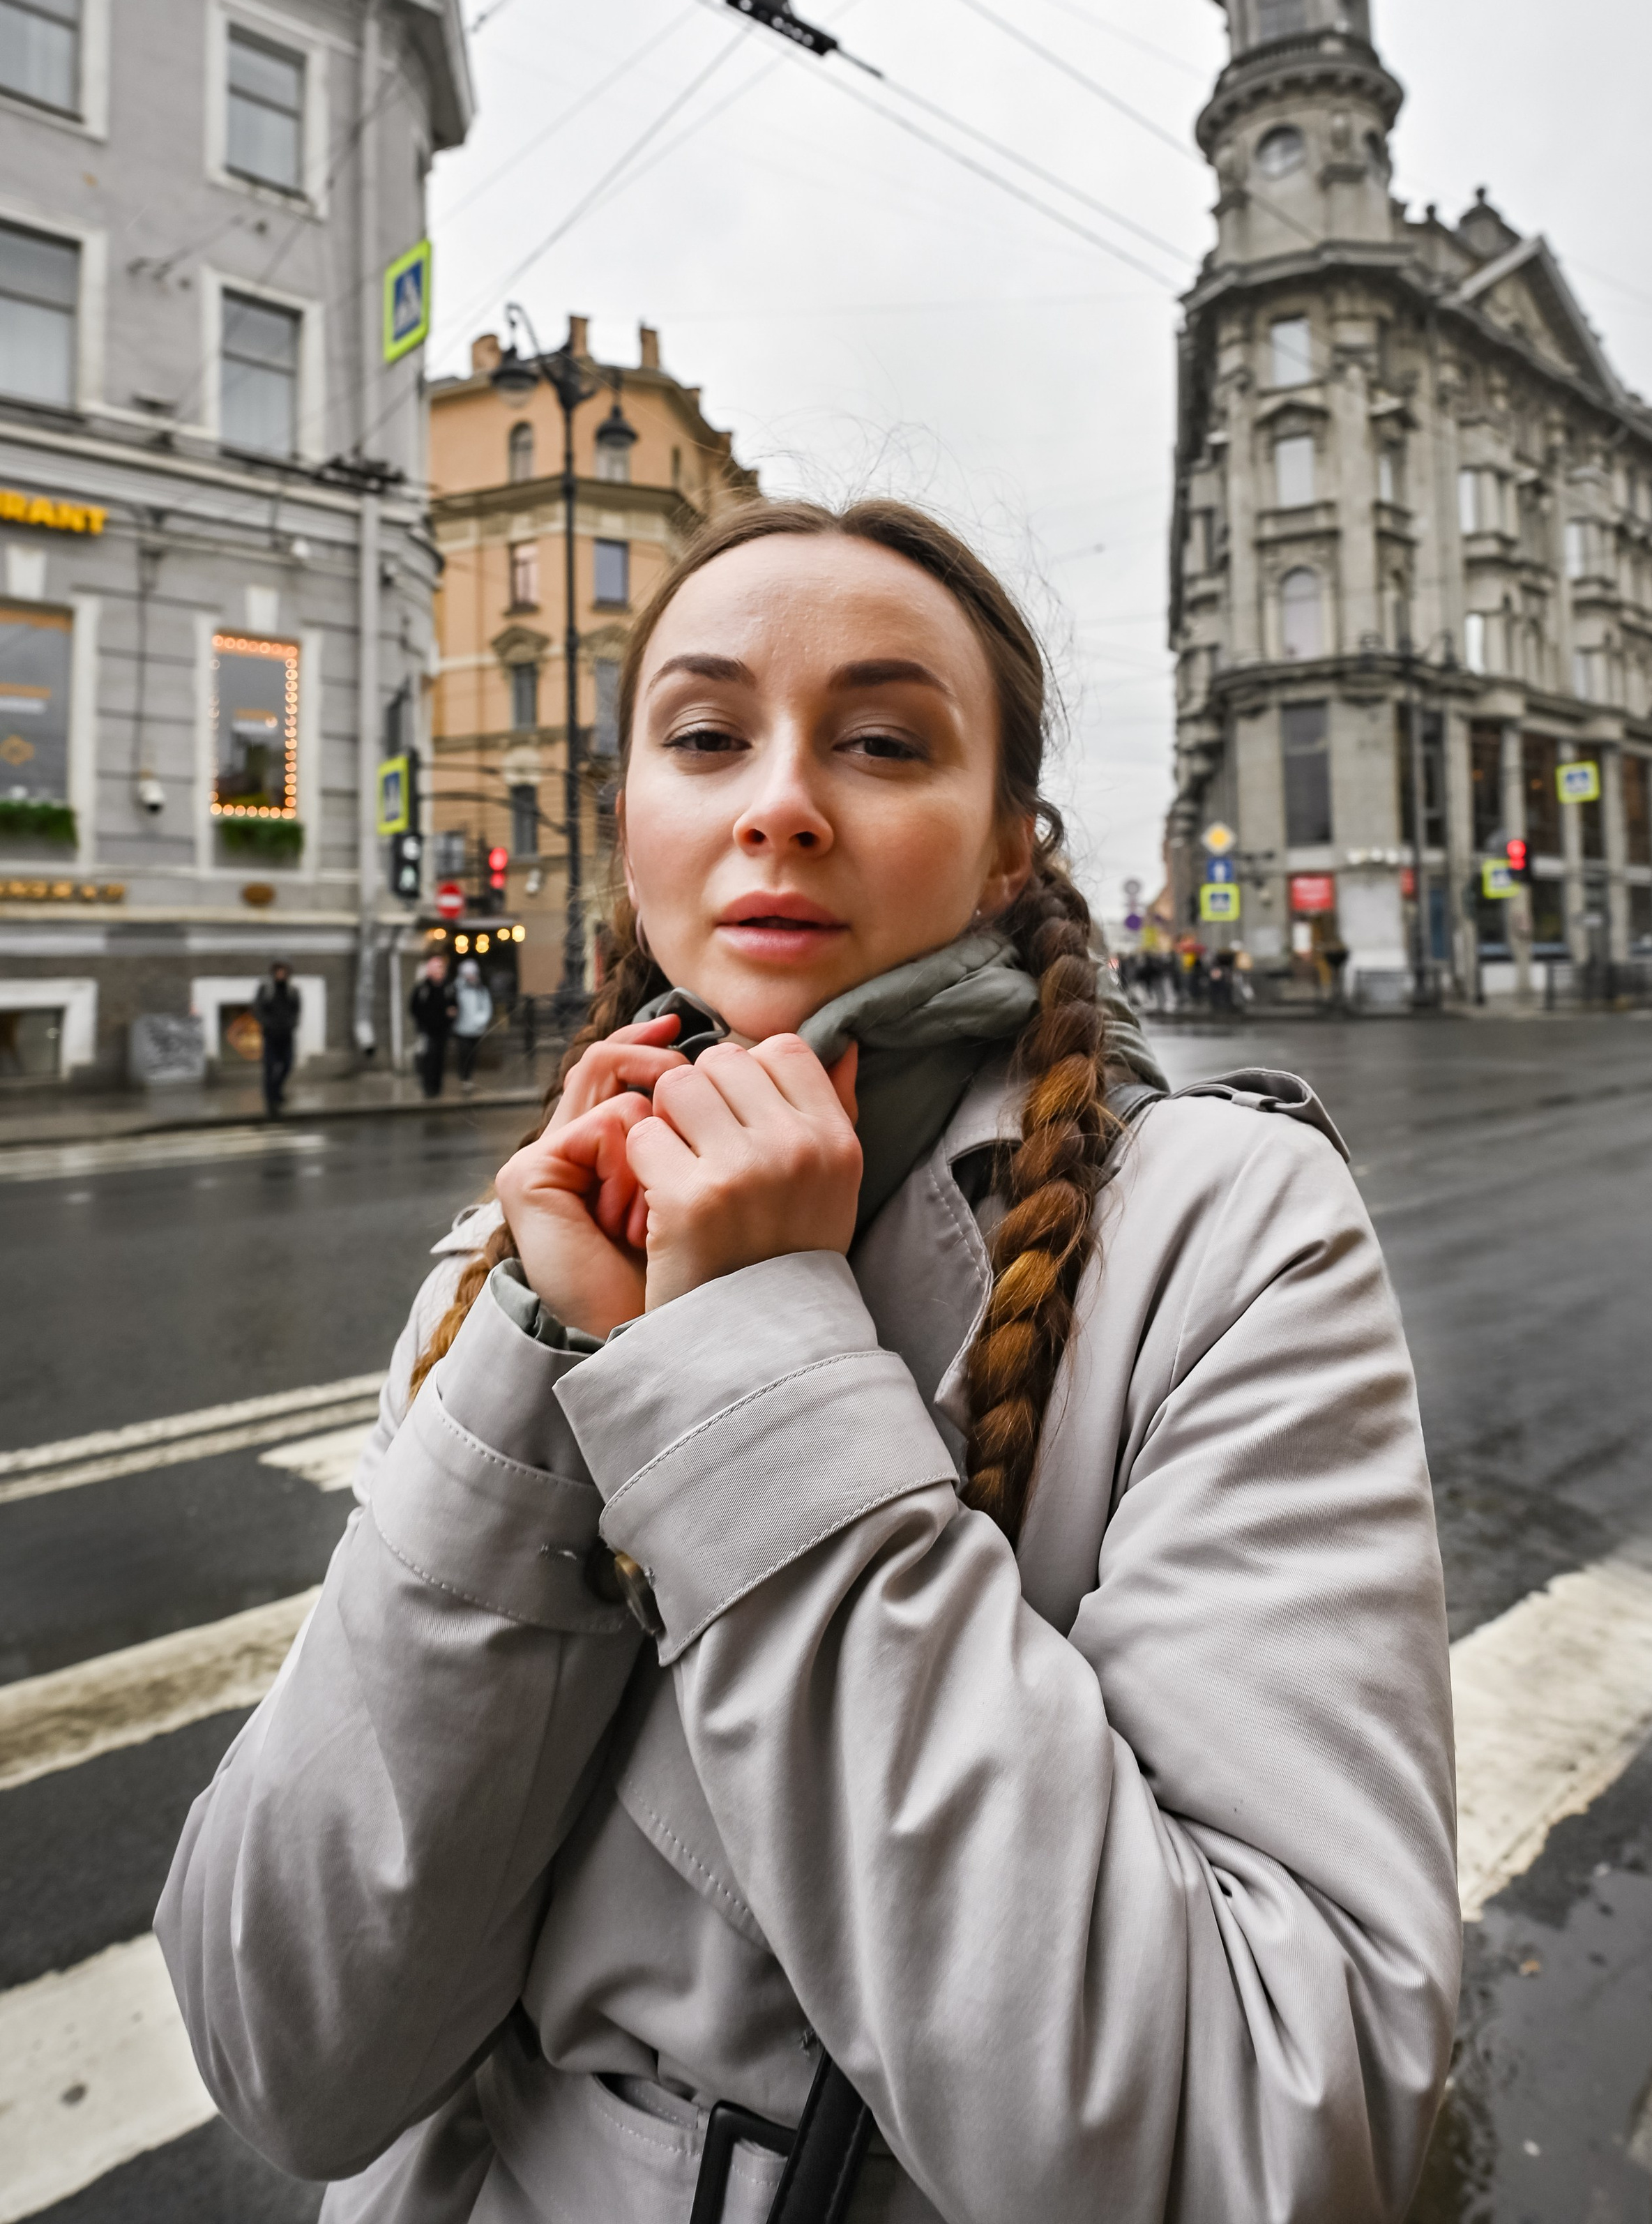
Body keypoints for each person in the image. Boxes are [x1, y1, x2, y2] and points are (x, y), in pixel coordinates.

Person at [159, 500, 1460, 2224]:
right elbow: (287, 2055)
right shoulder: (510, 1266)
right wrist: (545, 1362)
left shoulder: (1220, 1233)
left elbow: (1267, 2146)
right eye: (703, 737)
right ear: (630, 820)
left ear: (1007, 848)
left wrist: (745, 1357)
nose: (777, 801)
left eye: (880, 740)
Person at [251, 962, 301, 1117]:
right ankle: (271, 1101)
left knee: (287, 1065)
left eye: (283, 972)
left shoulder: (292, 991)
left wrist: (292, 1025)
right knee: (270, 1068)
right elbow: (257, 1009)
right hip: (271, 1036)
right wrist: (268, 1024)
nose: (281, 974)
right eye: (278, 971)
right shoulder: (266, 990)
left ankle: (276, 1091)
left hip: (286, 1036)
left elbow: (296, 1010)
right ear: (274, 973)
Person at [408, 953, 455, 1100]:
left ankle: (437, 1087)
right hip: (427, 1030)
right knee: (429, 1058)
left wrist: (451, 1014)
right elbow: (414, 1008)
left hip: (443, 1030)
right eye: (437, 969)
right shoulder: (423, 988)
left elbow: (454, 1004)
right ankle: (428, 1087)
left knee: (440, 1059)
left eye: (442, 969)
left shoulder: (448, 987)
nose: (440, 973)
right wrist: (424, 1021)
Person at [451, 958, 493, 1091]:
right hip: (461, 1028)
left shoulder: (481, 990)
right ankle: (464, 1078)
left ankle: (468, 1078)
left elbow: (486, 1007)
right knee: (464, 1053)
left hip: (476, 1029)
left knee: (472, 1055)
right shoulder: (457, 989)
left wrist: (480, 1021)